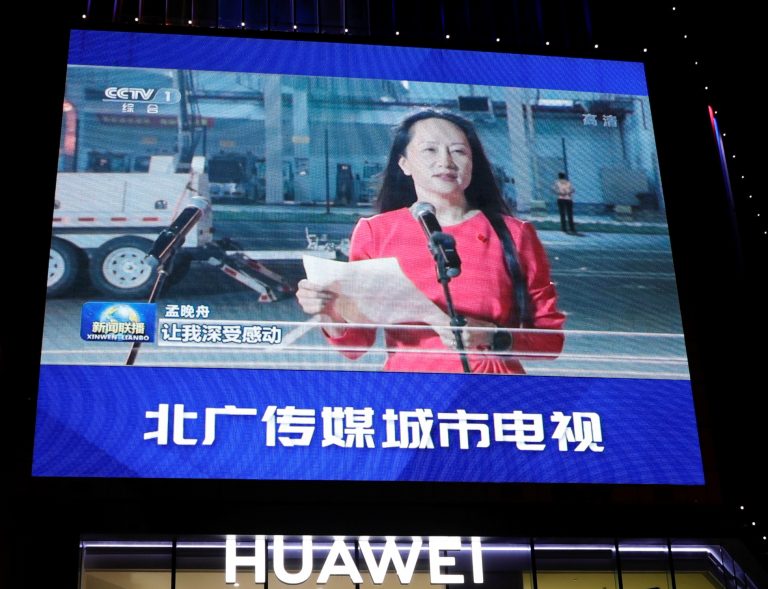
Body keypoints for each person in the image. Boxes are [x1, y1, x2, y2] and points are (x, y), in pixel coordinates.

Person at [297, 109, 565, 374]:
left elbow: (550, 341)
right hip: (411, 396)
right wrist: (329, 313)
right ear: (404, 163)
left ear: (473, 163)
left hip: (494, 395)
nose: (446, 162)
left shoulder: (515, 234)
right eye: (430, 150)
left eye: (459, 151)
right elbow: (355, 347)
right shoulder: (376, 232)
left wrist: (493, 337)